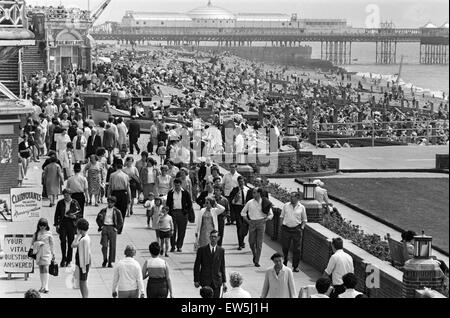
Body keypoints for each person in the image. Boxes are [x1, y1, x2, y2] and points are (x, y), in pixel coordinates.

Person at [241, 188, 274, 267]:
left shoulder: (265, 202)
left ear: (259, 193)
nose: (253, 194)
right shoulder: (250, 202)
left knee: (259, 243)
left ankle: (257, 261)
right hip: (252, 222)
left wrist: (266, 219)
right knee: (251, 242)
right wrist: (248, 221)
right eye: (253, 193)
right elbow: (243, 213)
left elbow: (271, 214)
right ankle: (254, 254)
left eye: (255, 193)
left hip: (261, 223)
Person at [194, 230, 227, 298]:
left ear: (218, 238)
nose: (213, 238)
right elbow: (197, 266)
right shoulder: (202, 250)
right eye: (211, 237)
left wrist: (224, 282)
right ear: (209, 237)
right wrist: (196, 280)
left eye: (215, 237)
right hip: (205, 281)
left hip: (217, 281)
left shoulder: (221, 250)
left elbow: (222, 267)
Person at [280, 192, 307, 272]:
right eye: (290, 197)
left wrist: (301, 228)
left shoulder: (302, 207)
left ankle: (295, 266)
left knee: (297, 249)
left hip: (296, 229)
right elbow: (281, 216)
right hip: (286, 229)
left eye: (293, 197)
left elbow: (304, 220)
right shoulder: (286, 205)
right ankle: (285, 259)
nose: (291, 198)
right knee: (285, 247)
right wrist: (281, 225)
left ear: (297, 198)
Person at [54, 189, 81, 267]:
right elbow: (56, 214)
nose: (66, 196)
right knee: (62, 240)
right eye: (64, 195)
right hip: (63, 222)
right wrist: (56, 225)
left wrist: (74, 216)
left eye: (67, 195)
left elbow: (80, 213)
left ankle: (69, 260)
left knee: (70, 241)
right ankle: (63, 258)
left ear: (70, 195)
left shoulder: (75, 202)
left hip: (71, 223)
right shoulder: (60, 203)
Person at [166, 178, 194, 253]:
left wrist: (186, 211)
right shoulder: (170, 193)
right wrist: (169, 213)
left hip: (182, 213)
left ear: (181, 185)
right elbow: (168, 203)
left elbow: (190, 203)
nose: (177, 187)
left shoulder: (185, 193)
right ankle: (172, 246)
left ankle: (179, 246)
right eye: (175, 185)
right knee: (172, 231)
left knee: (182, 231)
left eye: (178, 185)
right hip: (173, 213)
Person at [96, 196, 124, 268]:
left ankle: (110, 261)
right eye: (109, 202)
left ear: (114, 203)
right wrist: (101, 226)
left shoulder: (117, 211)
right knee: (104, 245)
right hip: (105, 227)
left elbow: (121, 222)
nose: (110, 203)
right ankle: (105, 259)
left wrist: (116, 228)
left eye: (111, 202)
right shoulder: (103, 210)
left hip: (112, 228)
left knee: (112, 246)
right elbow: (98, 219)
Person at [31, 218, 55, 294]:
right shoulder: (36, 233)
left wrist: (53, 253)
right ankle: (42, 286)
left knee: (45, 268)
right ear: (39, 225)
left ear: (46, 226)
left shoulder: (49, 233)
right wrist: (37, 243)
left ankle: (46, 286)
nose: (42, 227)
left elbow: (52, 244)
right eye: (41, 225)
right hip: (39, 253)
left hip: (46, 253)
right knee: (41, 269)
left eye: (44, 225)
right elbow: (32, 243)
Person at [229, 176, 251, 250]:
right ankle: (240, 244)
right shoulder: (235, 190)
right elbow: (230, 201)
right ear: (238, 182)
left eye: (242, 181)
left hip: (246, 209)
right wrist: (235, 199)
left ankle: (242, 239)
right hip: (238, 209)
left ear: (244, 182)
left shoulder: (248, 190)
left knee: (245, 228)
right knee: (239, 226)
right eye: (240, 181)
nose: (241, 183)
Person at [108, 159, 131, 231]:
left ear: (116, 166)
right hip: (123, 194)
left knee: (114, 211)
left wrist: (108, 196)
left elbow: (110, 187)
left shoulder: (112, 175)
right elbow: (128, 188)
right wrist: (129, 198)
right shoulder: (126, 176)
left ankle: (115, 226)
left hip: (114, 193)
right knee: (122, 211)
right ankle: (120, 228)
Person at [71, 218, 91, 298]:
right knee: (82, 282)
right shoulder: (86, 237)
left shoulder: (83, 240)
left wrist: (77, 236)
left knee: (83, 282)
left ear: (80, 229)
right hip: (83, 263)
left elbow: (73, 245)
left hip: (82, 264)